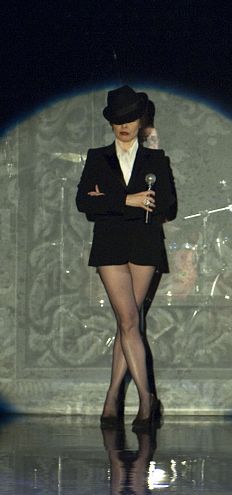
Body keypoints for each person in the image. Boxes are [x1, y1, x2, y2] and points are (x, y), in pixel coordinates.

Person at [76, 85, 177, 431]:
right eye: (118, 119)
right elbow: (84, 202)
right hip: (109, 245)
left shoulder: (156, 159)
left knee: (128, 322)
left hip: (145, 244)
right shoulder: (96, 157)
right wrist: (127, 201)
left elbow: (167, 206)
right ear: (110, 123)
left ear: (141, 119)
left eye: (130, 118)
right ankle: (147, 401)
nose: (124, 125)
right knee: (129, 320)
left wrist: (111, 199)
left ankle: (112, 397)